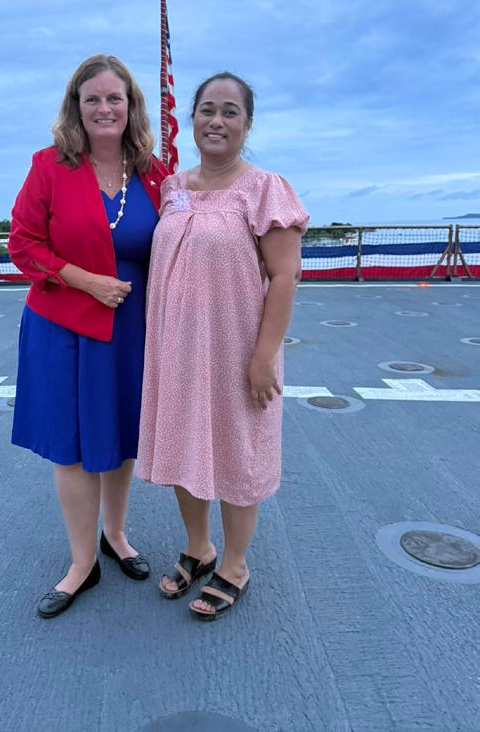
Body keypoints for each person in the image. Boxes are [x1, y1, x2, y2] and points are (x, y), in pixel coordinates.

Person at [137, 72, 309, 621]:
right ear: (190, 119)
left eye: (230, 111)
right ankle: (199, 547)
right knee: (183, 446)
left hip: (238, 351)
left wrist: (264, 357)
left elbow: (284, 277)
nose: (217, 121)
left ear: (247, 124)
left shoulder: (264, 188)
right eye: (207, 109)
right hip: (177, 349)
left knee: (239, 452)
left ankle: (234, 564)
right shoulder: (172, 188)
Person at [8, 54, 171, 619]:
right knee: (72, 445)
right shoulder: (49, 165)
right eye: (92, 98)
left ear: (131, 106)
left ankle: (116, 536)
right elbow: (23, 244)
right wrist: (86, 282)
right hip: (63, 326)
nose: (104, 108)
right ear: (76, 107)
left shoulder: (152, 171)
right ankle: (82, 563)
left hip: (131, 327)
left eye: (114, 98)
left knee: (121, 436)